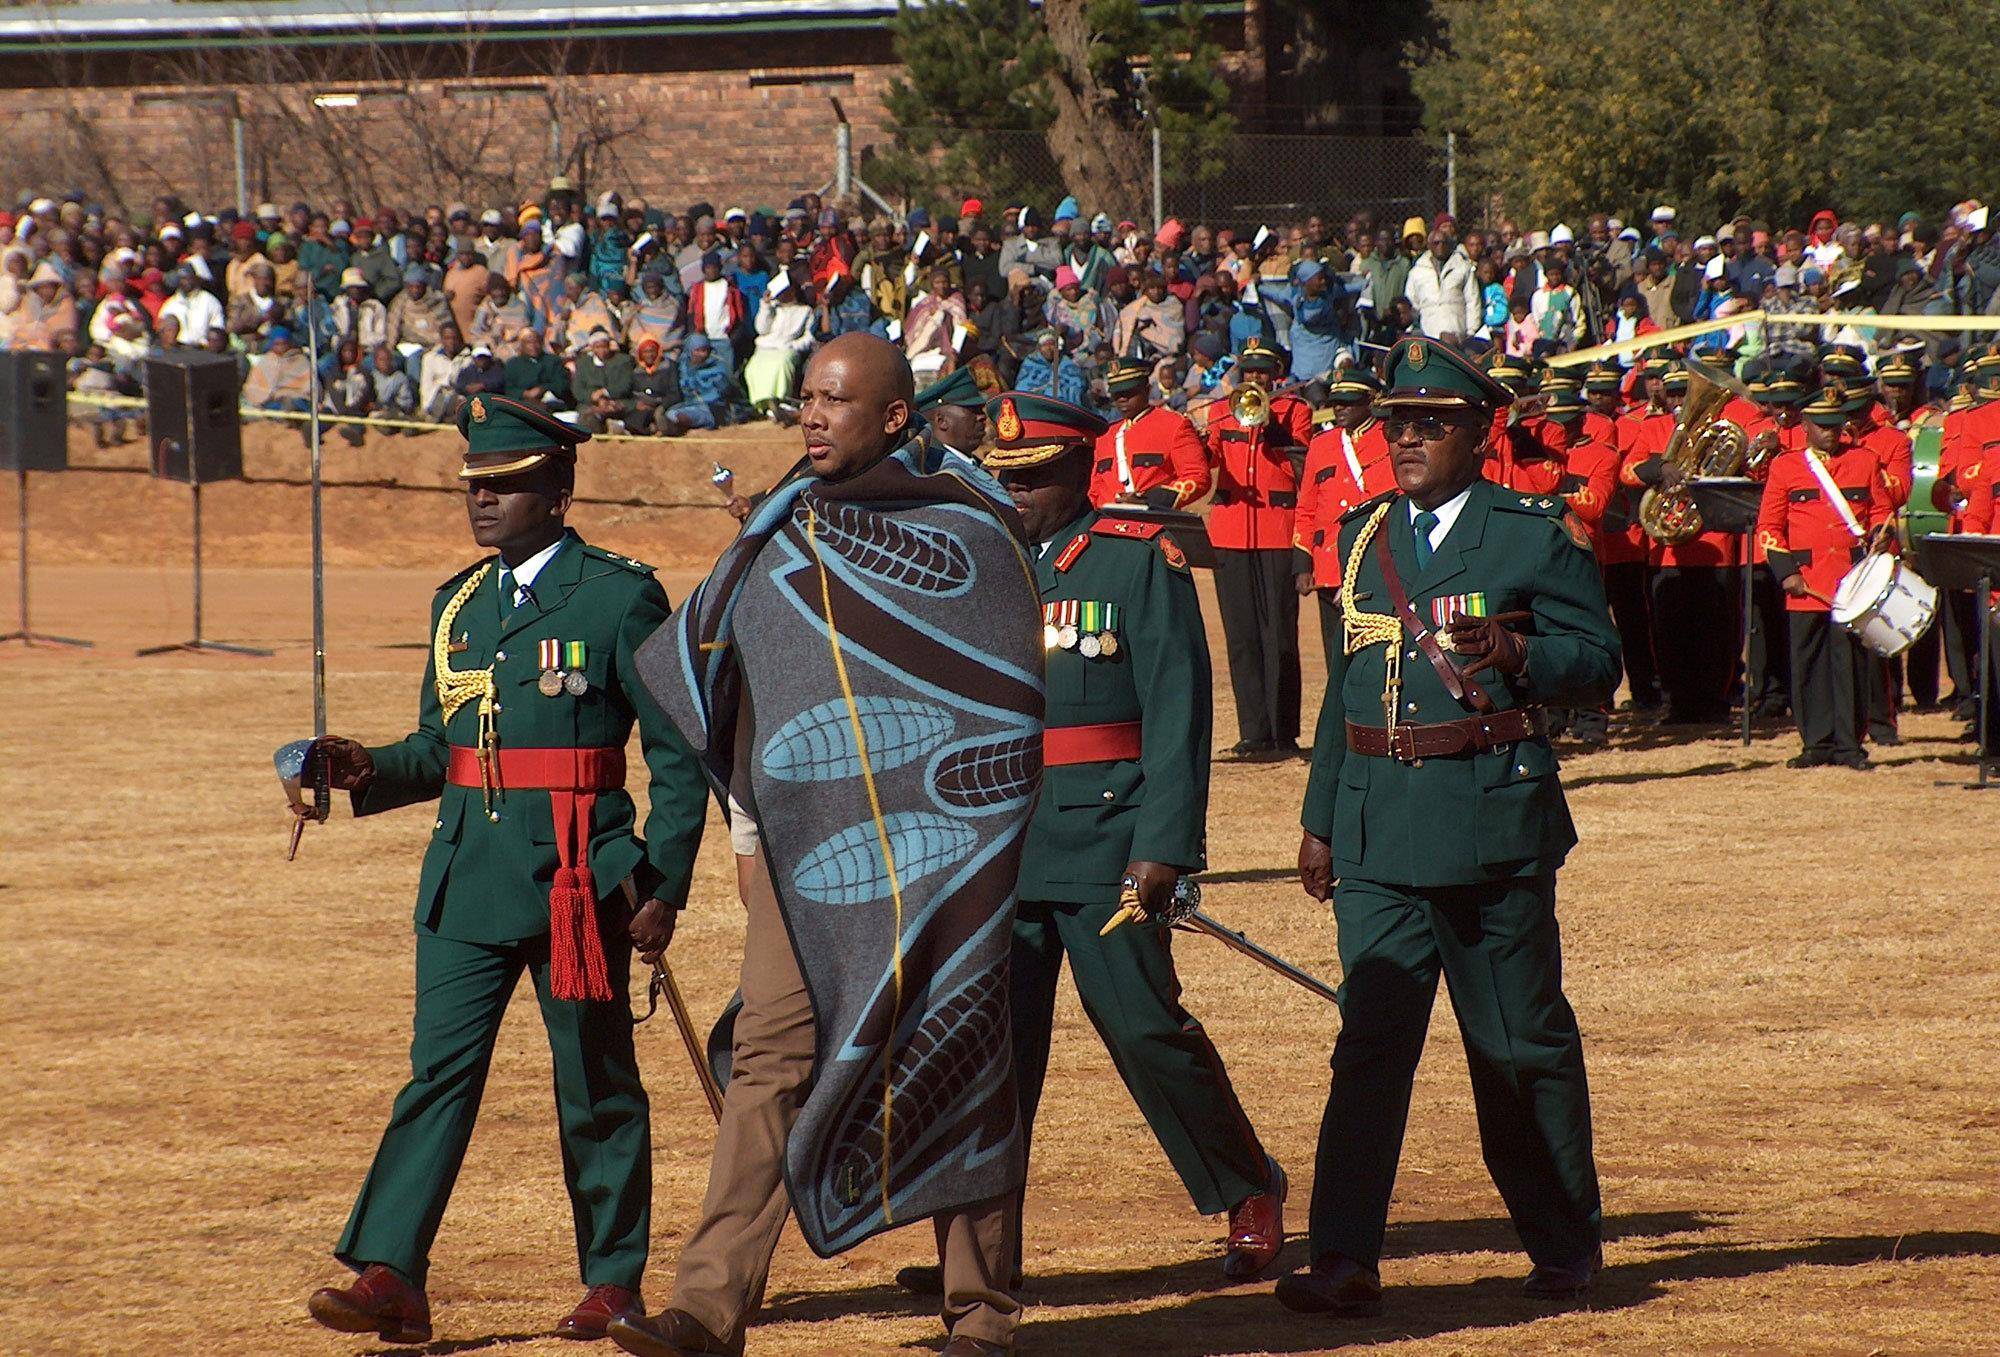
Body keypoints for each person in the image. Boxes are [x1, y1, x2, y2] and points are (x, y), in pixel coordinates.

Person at [613, 334, 1037, 1357]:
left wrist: (981, 838)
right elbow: (737, 692)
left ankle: (979, 1315)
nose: (810, 415)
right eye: (803, 397)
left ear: (893, 417)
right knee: (769, 1057)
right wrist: (750, 828)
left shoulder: (971, 531)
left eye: (834, 400)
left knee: (956, 1049)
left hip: (946, 858)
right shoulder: (776, 534)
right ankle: (710, 1307)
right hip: (809, 865)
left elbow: (1004, 700)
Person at [302, 395, 708, 1346]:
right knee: (435, 1075)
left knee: (597, 1080)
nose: (484, 503)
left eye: (508, 485)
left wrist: (664, 882)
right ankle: (391, 1272)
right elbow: (447, 745)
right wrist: (366, 765)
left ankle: (613, 1280)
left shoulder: (619, 595)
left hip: (580, 877)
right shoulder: (456, 602)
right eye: (474, 487)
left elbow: (679, 752)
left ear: (558, 491)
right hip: (467, 876)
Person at [1285, 335, 1616, 1320]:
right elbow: (1345, 685)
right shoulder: (1361, 534)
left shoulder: (1530, 533)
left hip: (1486, 819)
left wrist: (1518, 647)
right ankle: (1343, 1256)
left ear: (1480, 431)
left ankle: (1564, 1246)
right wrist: (1317, 820)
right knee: (1369, 1042)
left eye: (1431, 422)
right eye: (1397, 422)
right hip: (1377, 824)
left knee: (1515, 1043)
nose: (1408, 438)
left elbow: (1597, 661)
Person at [956, 390, 1287, 1288]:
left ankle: (1248, 1185)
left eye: (1033, 480)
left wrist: (1165, 847)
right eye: (1006, 479)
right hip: (1000, 850)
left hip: (1107, 841)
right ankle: (983, 1252)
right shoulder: (983, 567)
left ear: (1078, 474)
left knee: (1144, 1028)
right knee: (993, 1053)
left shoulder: (1135, 560)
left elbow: (1178, 708)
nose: (1016, 496)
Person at [1756, 383, 1895, 768]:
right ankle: (1815, 743)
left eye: (1836, 425)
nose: (1832, 432)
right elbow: (1769, 526)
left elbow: (1882, 510)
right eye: (1823, 425)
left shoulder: (1864, 461)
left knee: (1851, 665)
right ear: (1806, 425)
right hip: (1806, 581)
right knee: (1808, 663)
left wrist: (1885, 533)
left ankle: (1850, 744)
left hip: (1852, 582)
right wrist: (1787, 573)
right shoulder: (1786, 466)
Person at [1202, 338, 1314, 756]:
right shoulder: (1220, 410)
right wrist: (1197, 441)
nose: (1255, 379)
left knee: (1280, 636)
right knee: (1242, 637)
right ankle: (1253, 732)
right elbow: (1209, 461)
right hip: (1231, 534)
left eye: (1262, 372)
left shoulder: (1295, 411)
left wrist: (1272, 428)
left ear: (1275, 374)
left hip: (1277, 533)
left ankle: (1284, 732)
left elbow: (1300, 464)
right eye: (1248, 371)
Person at [1293, 368, 1392, 661]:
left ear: (1371, 402)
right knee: (1335, 656)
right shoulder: (1321, 444)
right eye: (1336, 402)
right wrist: (1303, 563)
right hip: (1329, 565)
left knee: (1373, 653)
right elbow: (1307, 507)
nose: (1339, 408)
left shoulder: (1390, 438)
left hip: (1374, 563)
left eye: (1349, 402)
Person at [1089, 357, 1211, 509]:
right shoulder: (1105, 435)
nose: (1122, 399)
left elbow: (1198, 476)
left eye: (1129, 393)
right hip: (1107, 525)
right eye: (1117, 394)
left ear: (1147, 390)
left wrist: (1150, 500)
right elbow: (1095, 490)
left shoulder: (1174, 425)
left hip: (1152, 523)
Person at [913, 364, 990, 470]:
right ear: (942, 421)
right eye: (973, 410)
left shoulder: (978, 467)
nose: (982, 416)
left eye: (981, 410)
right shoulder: (931, 469)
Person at [573, 328, 636, 434]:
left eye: (605, 347)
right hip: (591, 404)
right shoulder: (583, 364)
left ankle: (618, 429)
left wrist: (605, 392)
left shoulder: (623, 361)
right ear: (592, 348)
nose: (602, 350)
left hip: (617, 400)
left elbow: (626, 385)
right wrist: (594, 397)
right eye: (598, 347)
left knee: (627, 410)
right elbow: (577, 389)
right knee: (588, 416)